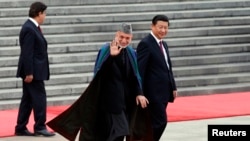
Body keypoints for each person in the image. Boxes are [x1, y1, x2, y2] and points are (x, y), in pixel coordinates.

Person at [47, 23, 153, 141]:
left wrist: (139, 93)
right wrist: (112, 57)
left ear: (131, 38)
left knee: (116, 133)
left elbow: (134, 76)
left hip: (124, 102)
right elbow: (100, 74)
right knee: (119, 131)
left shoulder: (131, 53)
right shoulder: (106, 49)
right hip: (107, 101)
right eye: (121, 37)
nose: (124, 40)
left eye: (127, 38)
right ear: (116, 35)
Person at [15, 2, 55, 137]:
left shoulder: (32, 27)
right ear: (39, 13)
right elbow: (27, 53)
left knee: (27, 99)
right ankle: (40, 126)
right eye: (44, 13)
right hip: (33, 73)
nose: (45, 16)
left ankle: (21, 127)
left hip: (33, 71)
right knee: (39, 98)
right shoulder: (29, 29)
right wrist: (29, 72)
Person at [136, 15, 178, 141]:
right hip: (152, 94)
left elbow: (168, 67)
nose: (163, 30)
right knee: (161, 122)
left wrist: (173, 86)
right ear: (152, 26)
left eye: (166, 28)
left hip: (164, 91)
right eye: (160, 27)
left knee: (154, 123)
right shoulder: (145, 44)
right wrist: (139, 92)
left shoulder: (163, 44)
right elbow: (139, 70)